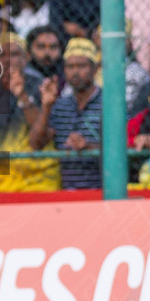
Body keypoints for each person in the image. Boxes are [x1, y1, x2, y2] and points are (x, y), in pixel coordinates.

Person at [0, 33, 58, 193]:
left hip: (39, 183)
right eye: (1, 55)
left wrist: (22, 95)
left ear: (27, 58)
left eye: (15, 54)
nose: (7, 60)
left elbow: (40, 140)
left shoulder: (41, 87)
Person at [34, 37, 103, 191]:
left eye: (81, 66)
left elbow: (121, 147)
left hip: (101, 189)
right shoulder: (60, 105)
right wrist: (46, 106)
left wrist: (88, 146)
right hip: (66, 191)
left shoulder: (109, 104)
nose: (75, 72)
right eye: (70, 67)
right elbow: (36, 143)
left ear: (95, 68)